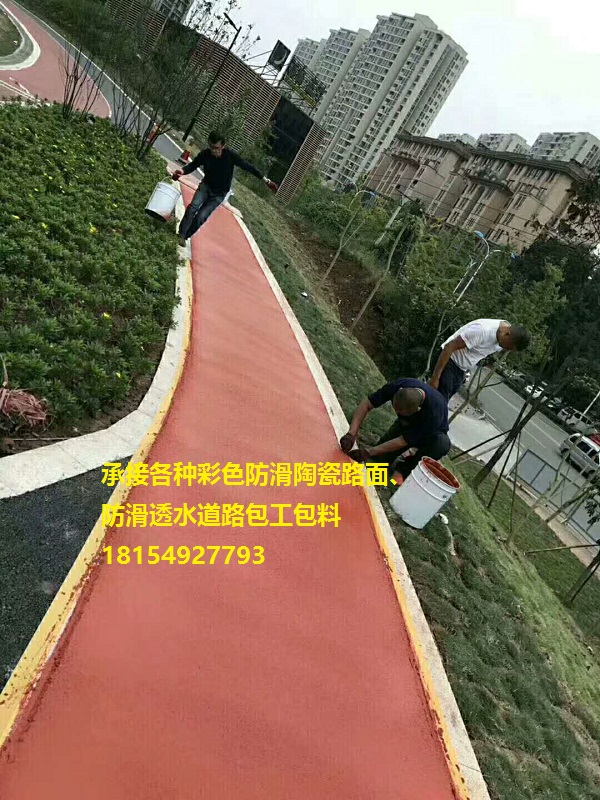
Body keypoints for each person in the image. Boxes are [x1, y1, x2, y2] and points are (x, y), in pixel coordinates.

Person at [171, 131, 278, 246]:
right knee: (193, 207)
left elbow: (249, 167)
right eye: (211, 147)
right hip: (206, 186)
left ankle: (186, 236)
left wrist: (266, 181)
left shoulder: (230, 156)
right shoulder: (205, 154)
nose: (213, 150)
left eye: (216, 148)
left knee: (201, 216)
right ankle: (181, 234)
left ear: (223, 145)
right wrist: (181, 171)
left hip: (219, 194)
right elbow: (192, 165)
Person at [339, 378, 450, 479]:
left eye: (400, 412)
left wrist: (368, 452)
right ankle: (397, 456)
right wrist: (351, 433)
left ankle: (404, 470)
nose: (396, 412)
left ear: (416, 410)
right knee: (380, 460)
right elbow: (366, 404)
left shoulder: (433, 415)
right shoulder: (397, 385)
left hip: (431, 436)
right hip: (407, 425)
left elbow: (402, 441)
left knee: (441, 444)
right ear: (398, 391)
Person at [429, 319, 530, 402]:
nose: (505, 349)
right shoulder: (482, 330)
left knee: (438, 404)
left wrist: (465, 371)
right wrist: (435, 378)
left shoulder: (505, 336)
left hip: (460, 370)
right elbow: (449, 347)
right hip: (448, 361)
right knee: (438, 405)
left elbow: (476, 353)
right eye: (507, 346)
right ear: (507, 334)